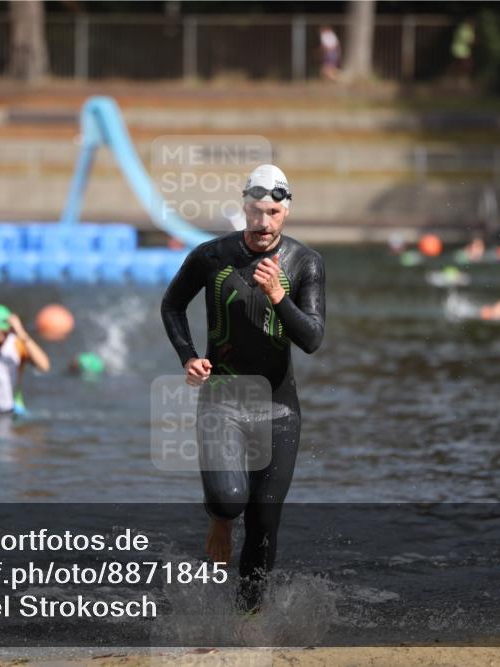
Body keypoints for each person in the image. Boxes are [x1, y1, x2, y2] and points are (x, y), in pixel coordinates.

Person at [161, 164, 326, 612]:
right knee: (232, 503)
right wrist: (188, 358)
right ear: (244, 208)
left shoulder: (305, 263)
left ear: (286, 212)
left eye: (272, 211)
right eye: (255, 211)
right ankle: (218, 516)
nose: (263, 222)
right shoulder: (211, 257)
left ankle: (248, 622)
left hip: (279, 411)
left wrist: (278, 295)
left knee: (264, 523)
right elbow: (173, 305)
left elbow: (311, 339)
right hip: (222, 403)